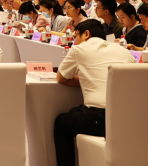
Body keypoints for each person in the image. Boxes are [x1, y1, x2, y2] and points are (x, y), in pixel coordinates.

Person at [54, 19, 136, 166]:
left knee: (61, 122)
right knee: (76, 112)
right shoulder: (124, 51)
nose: (75, 41)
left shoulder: (79, 49)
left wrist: (83, 78)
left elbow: (61, 78)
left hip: (99, 117)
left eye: (76, 36)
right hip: (128, 118)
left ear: (86, 34)